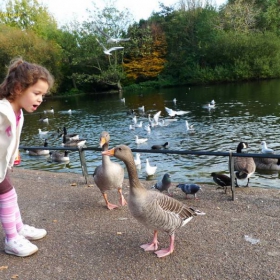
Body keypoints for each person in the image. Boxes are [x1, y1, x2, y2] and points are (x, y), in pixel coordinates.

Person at [0, 57, 54, 257]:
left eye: (43, 95)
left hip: (2, 164)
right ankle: (11, 238)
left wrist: (14, 152)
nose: (40, 99)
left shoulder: (17, 113)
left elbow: (11, 136)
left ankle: (18, 228)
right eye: (36, 93)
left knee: (9, 194)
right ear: (18, 88)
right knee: (6, 195)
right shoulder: (2, 110)